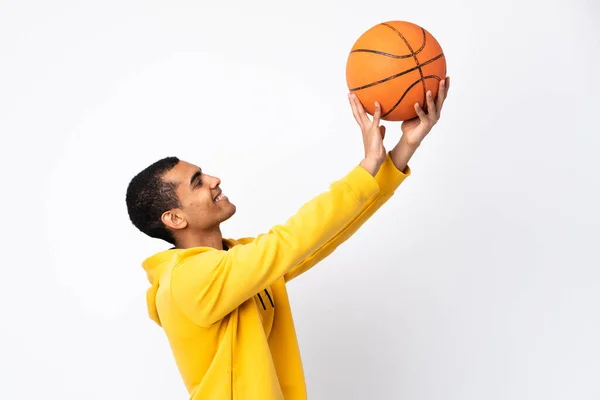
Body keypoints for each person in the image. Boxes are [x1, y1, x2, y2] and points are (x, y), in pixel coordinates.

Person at [125, 78, 450, 400]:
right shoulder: (187, 281)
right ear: (175, 218)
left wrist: (405, 146)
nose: (214, 179)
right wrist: (367, 165)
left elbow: (319, 237)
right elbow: (293, 239)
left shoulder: (235, 260)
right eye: (197, 182)